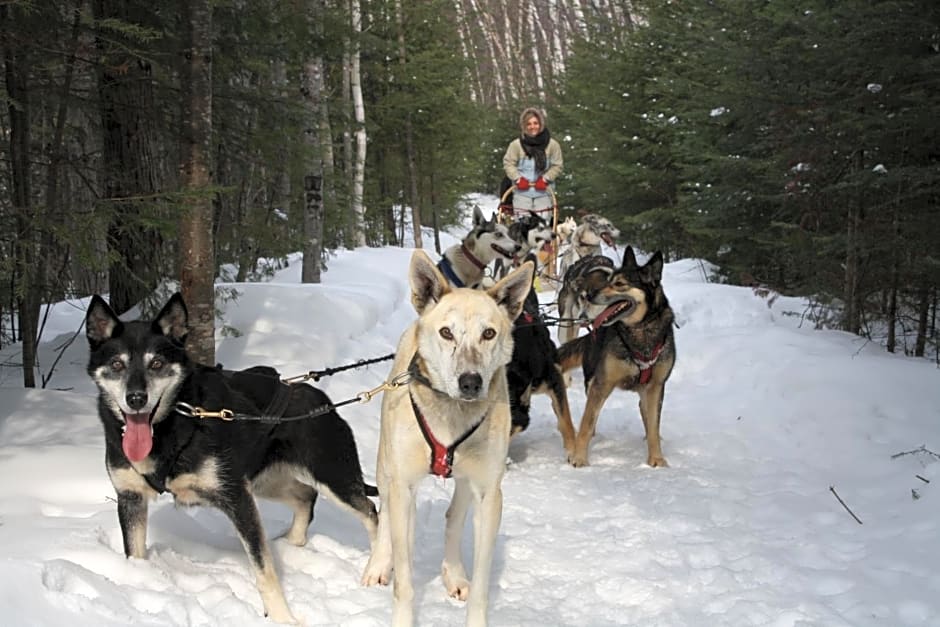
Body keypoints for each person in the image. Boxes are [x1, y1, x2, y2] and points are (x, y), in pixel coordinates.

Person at [502, 106, 564, 219]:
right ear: (524, 126)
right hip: (522, 193)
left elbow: (557, 165)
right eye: (529, 124)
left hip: (544, 193)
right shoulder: (516, 145)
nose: (532, 127)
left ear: (540, 124)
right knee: (523, 224)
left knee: (542, 223)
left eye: (535, 123)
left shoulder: (552, 145)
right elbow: (508, 164)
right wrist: (518, 179)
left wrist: (545, 179)